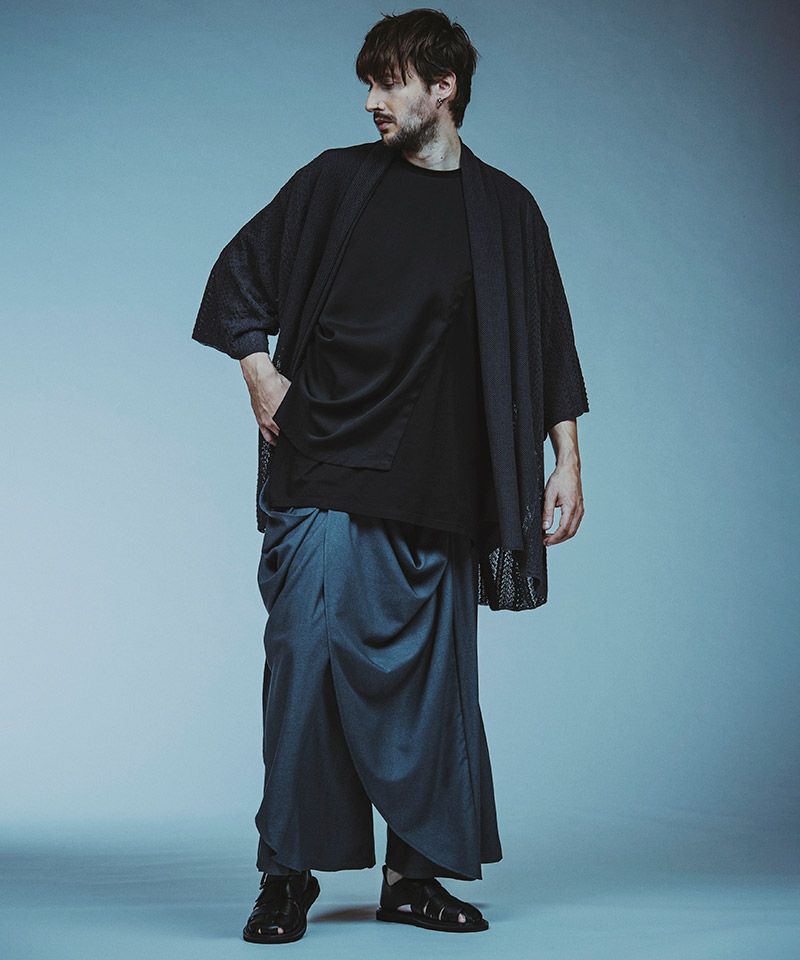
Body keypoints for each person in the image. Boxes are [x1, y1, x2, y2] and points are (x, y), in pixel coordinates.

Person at [191, 8, 589, 944]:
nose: (371, 100)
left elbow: (547, 346)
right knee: (305, 667)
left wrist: (567, 459)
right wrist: (262, 376)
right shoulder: (335, 183)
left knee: (436, 689)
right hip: (325, 462)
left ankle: (413, 878)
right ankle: (286, 876)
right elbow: (237, 277)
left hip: (442, 486)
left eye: (389, 82)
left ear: (443, 88)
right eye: (367, 83)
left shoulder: (506, 211)